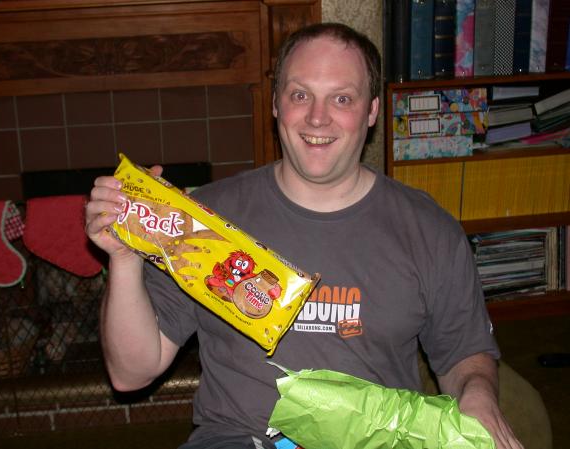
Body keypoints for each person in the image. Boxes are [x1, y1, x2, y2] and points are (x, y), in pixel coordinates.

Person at [85, 22, 523, 449]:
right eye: (300, 95)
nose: (317, 117)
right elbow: (131, 374)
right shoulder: (206, 220)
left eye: (342, 98)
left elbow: (463, 355)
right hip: (240, 438)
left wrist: (479, 395)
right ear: (276, 103)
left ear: (372, 111)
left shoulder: (429, 230)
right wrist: (124, 260)